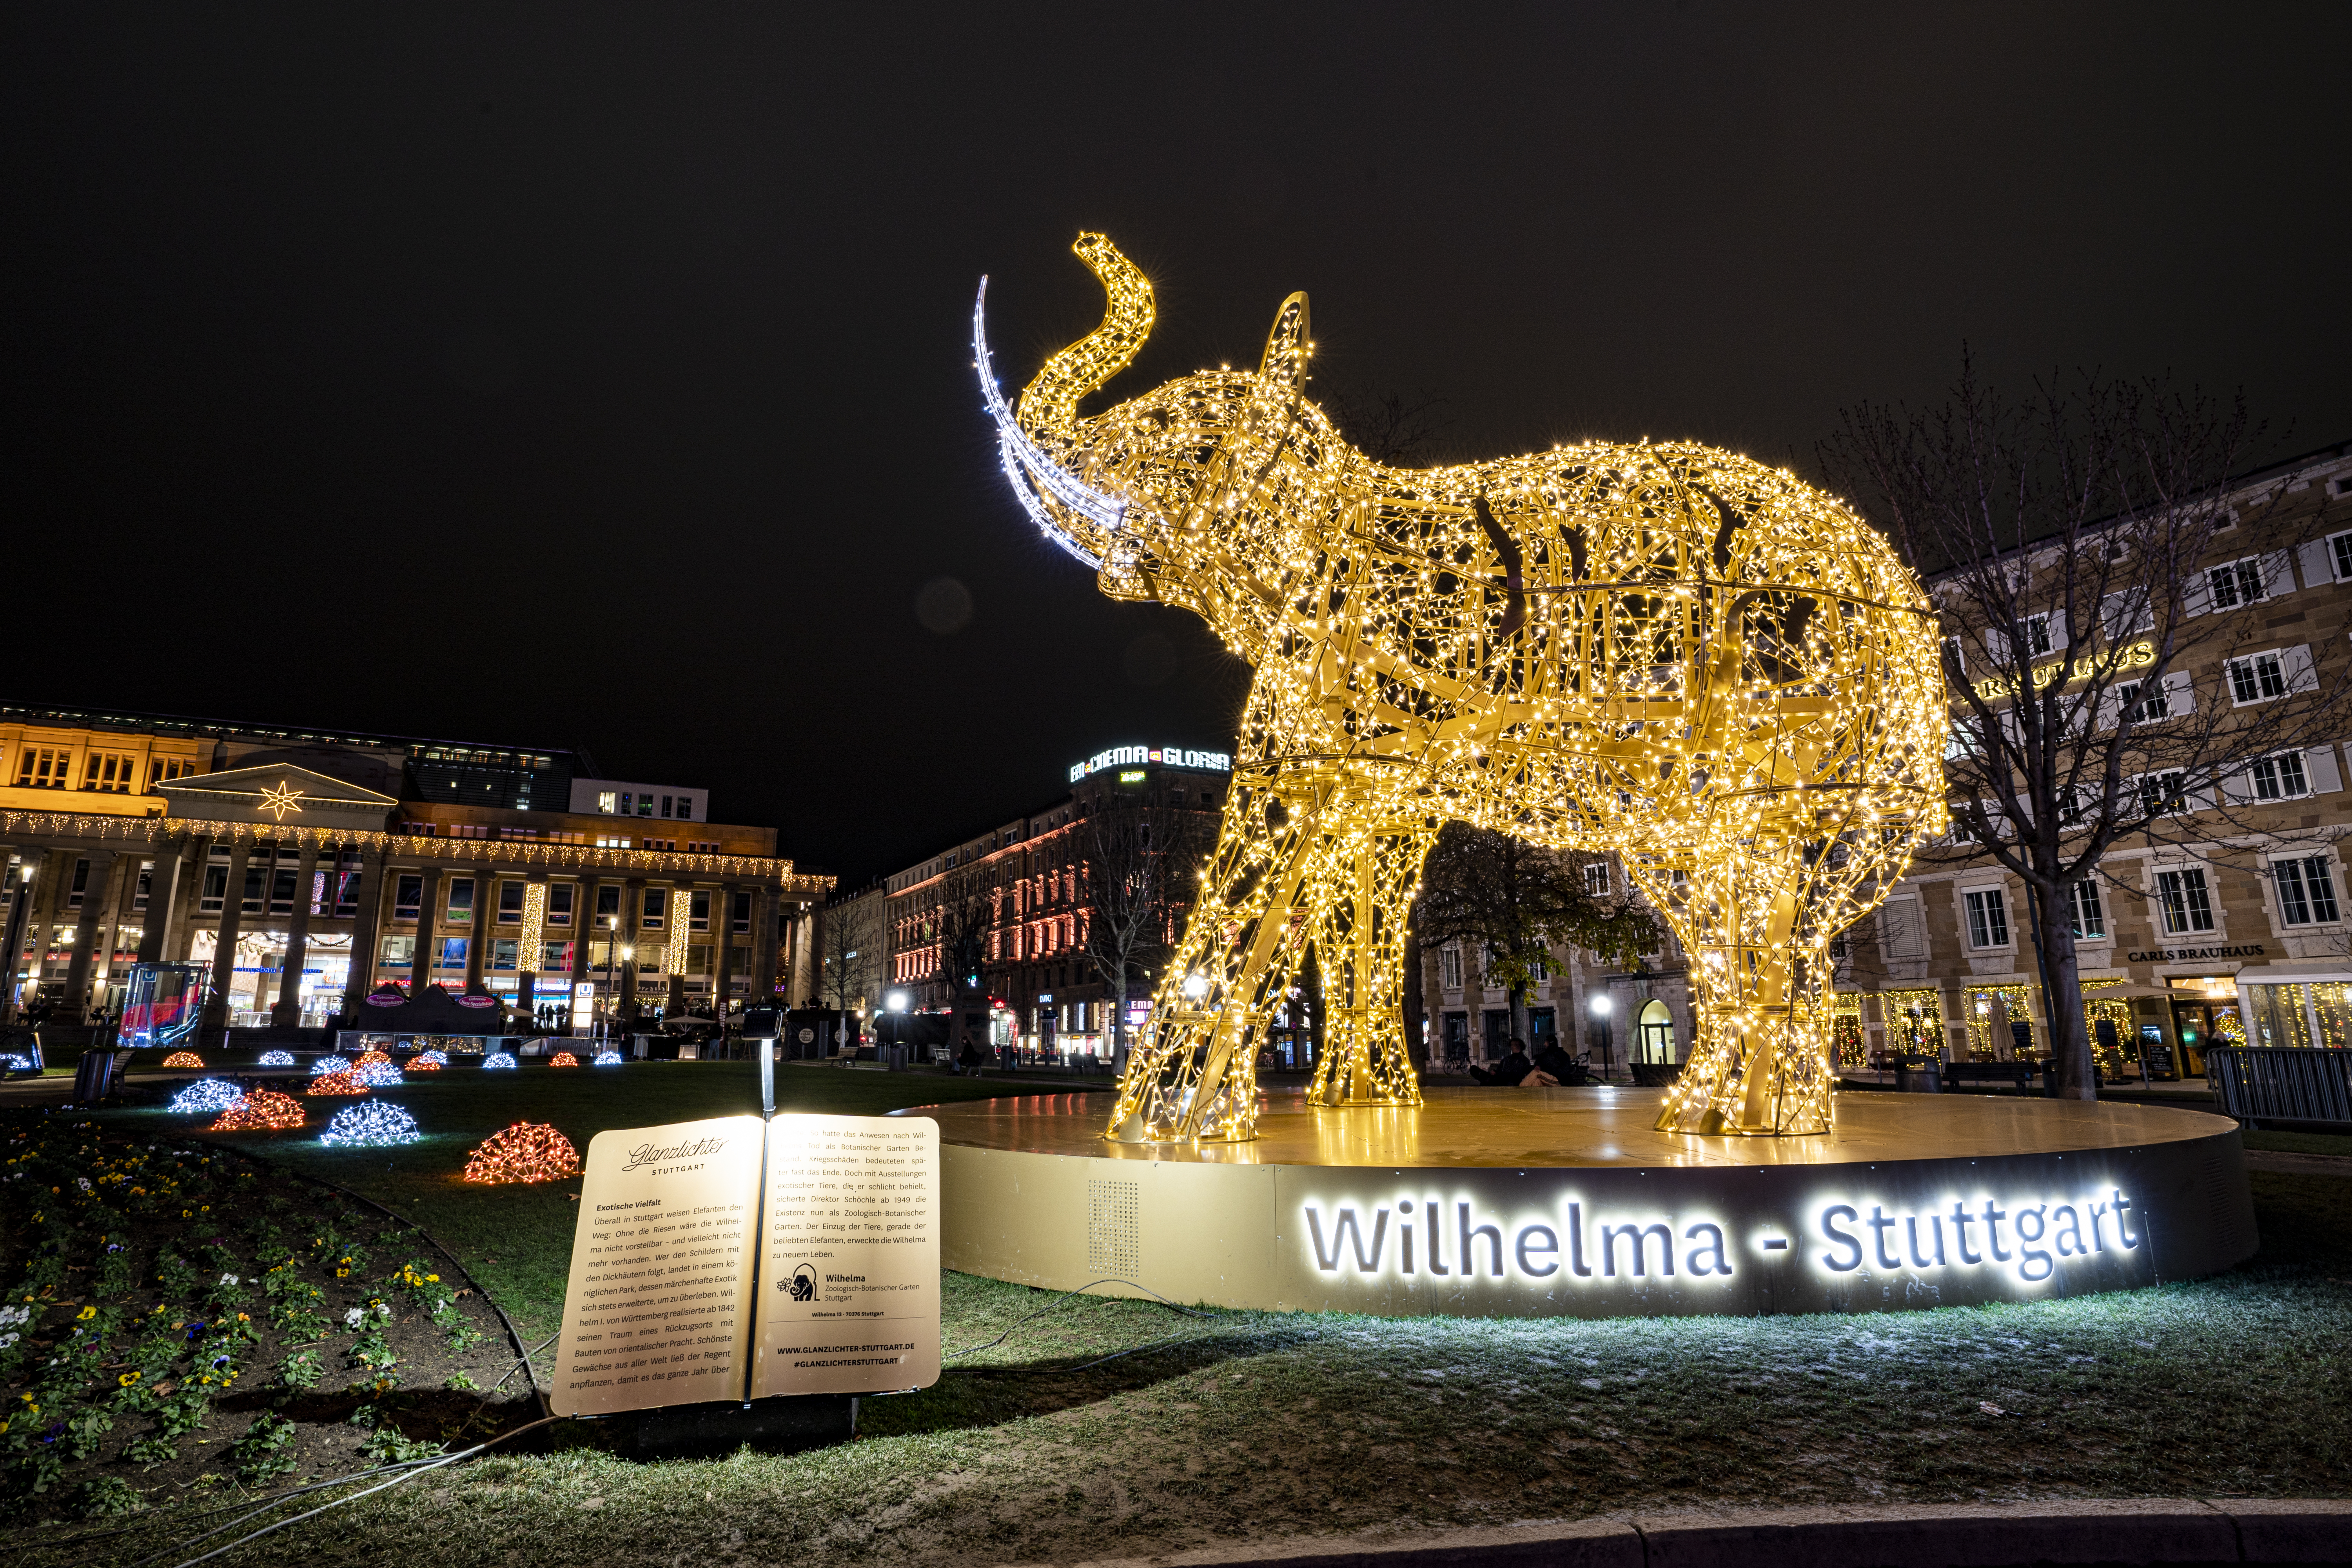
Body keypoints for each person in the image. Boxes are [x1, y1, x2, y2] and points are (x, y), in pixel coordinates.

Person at [1470, 1038, 1534, 1086]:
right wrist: (1495, 1072)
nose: (1512, 1047)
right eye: (1511, 1045)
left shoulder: (1524, 1060)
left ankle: (1487, 1080)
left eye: (1514, 1045)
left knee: (1488, 1081)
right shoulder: (1507, 1059)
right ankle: (1486, 1079)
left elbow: (1521, 1075)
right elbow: (1500, 1069)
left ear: (1519, 1046)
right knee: (1474, 1069)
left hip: (1508, 1080)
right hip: (1499, 1077)